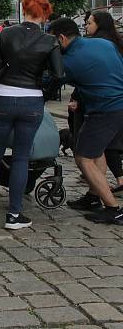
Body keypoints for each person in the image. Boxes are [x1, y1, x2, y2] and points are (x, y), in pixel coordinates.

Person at [0, 0, 63, 230]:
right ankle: (14, 214)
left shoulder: (5, 34)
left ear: (24, 10)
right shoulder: (49, 41)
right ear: (45, 13)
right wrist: (43, 92)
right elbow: (60, 75)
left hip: (3, 98)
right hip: (31, 101)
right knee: (21, 156)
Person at [51, 17, 123, 226]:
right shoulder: (104, 43)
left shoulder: (70, 62)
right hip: (116, 105)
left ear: (62, 38)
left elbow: (50, 82)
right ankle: (93, 197)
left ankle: (112, 208)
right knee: (96, 151)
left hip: (105, 110)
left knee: (83, 156)